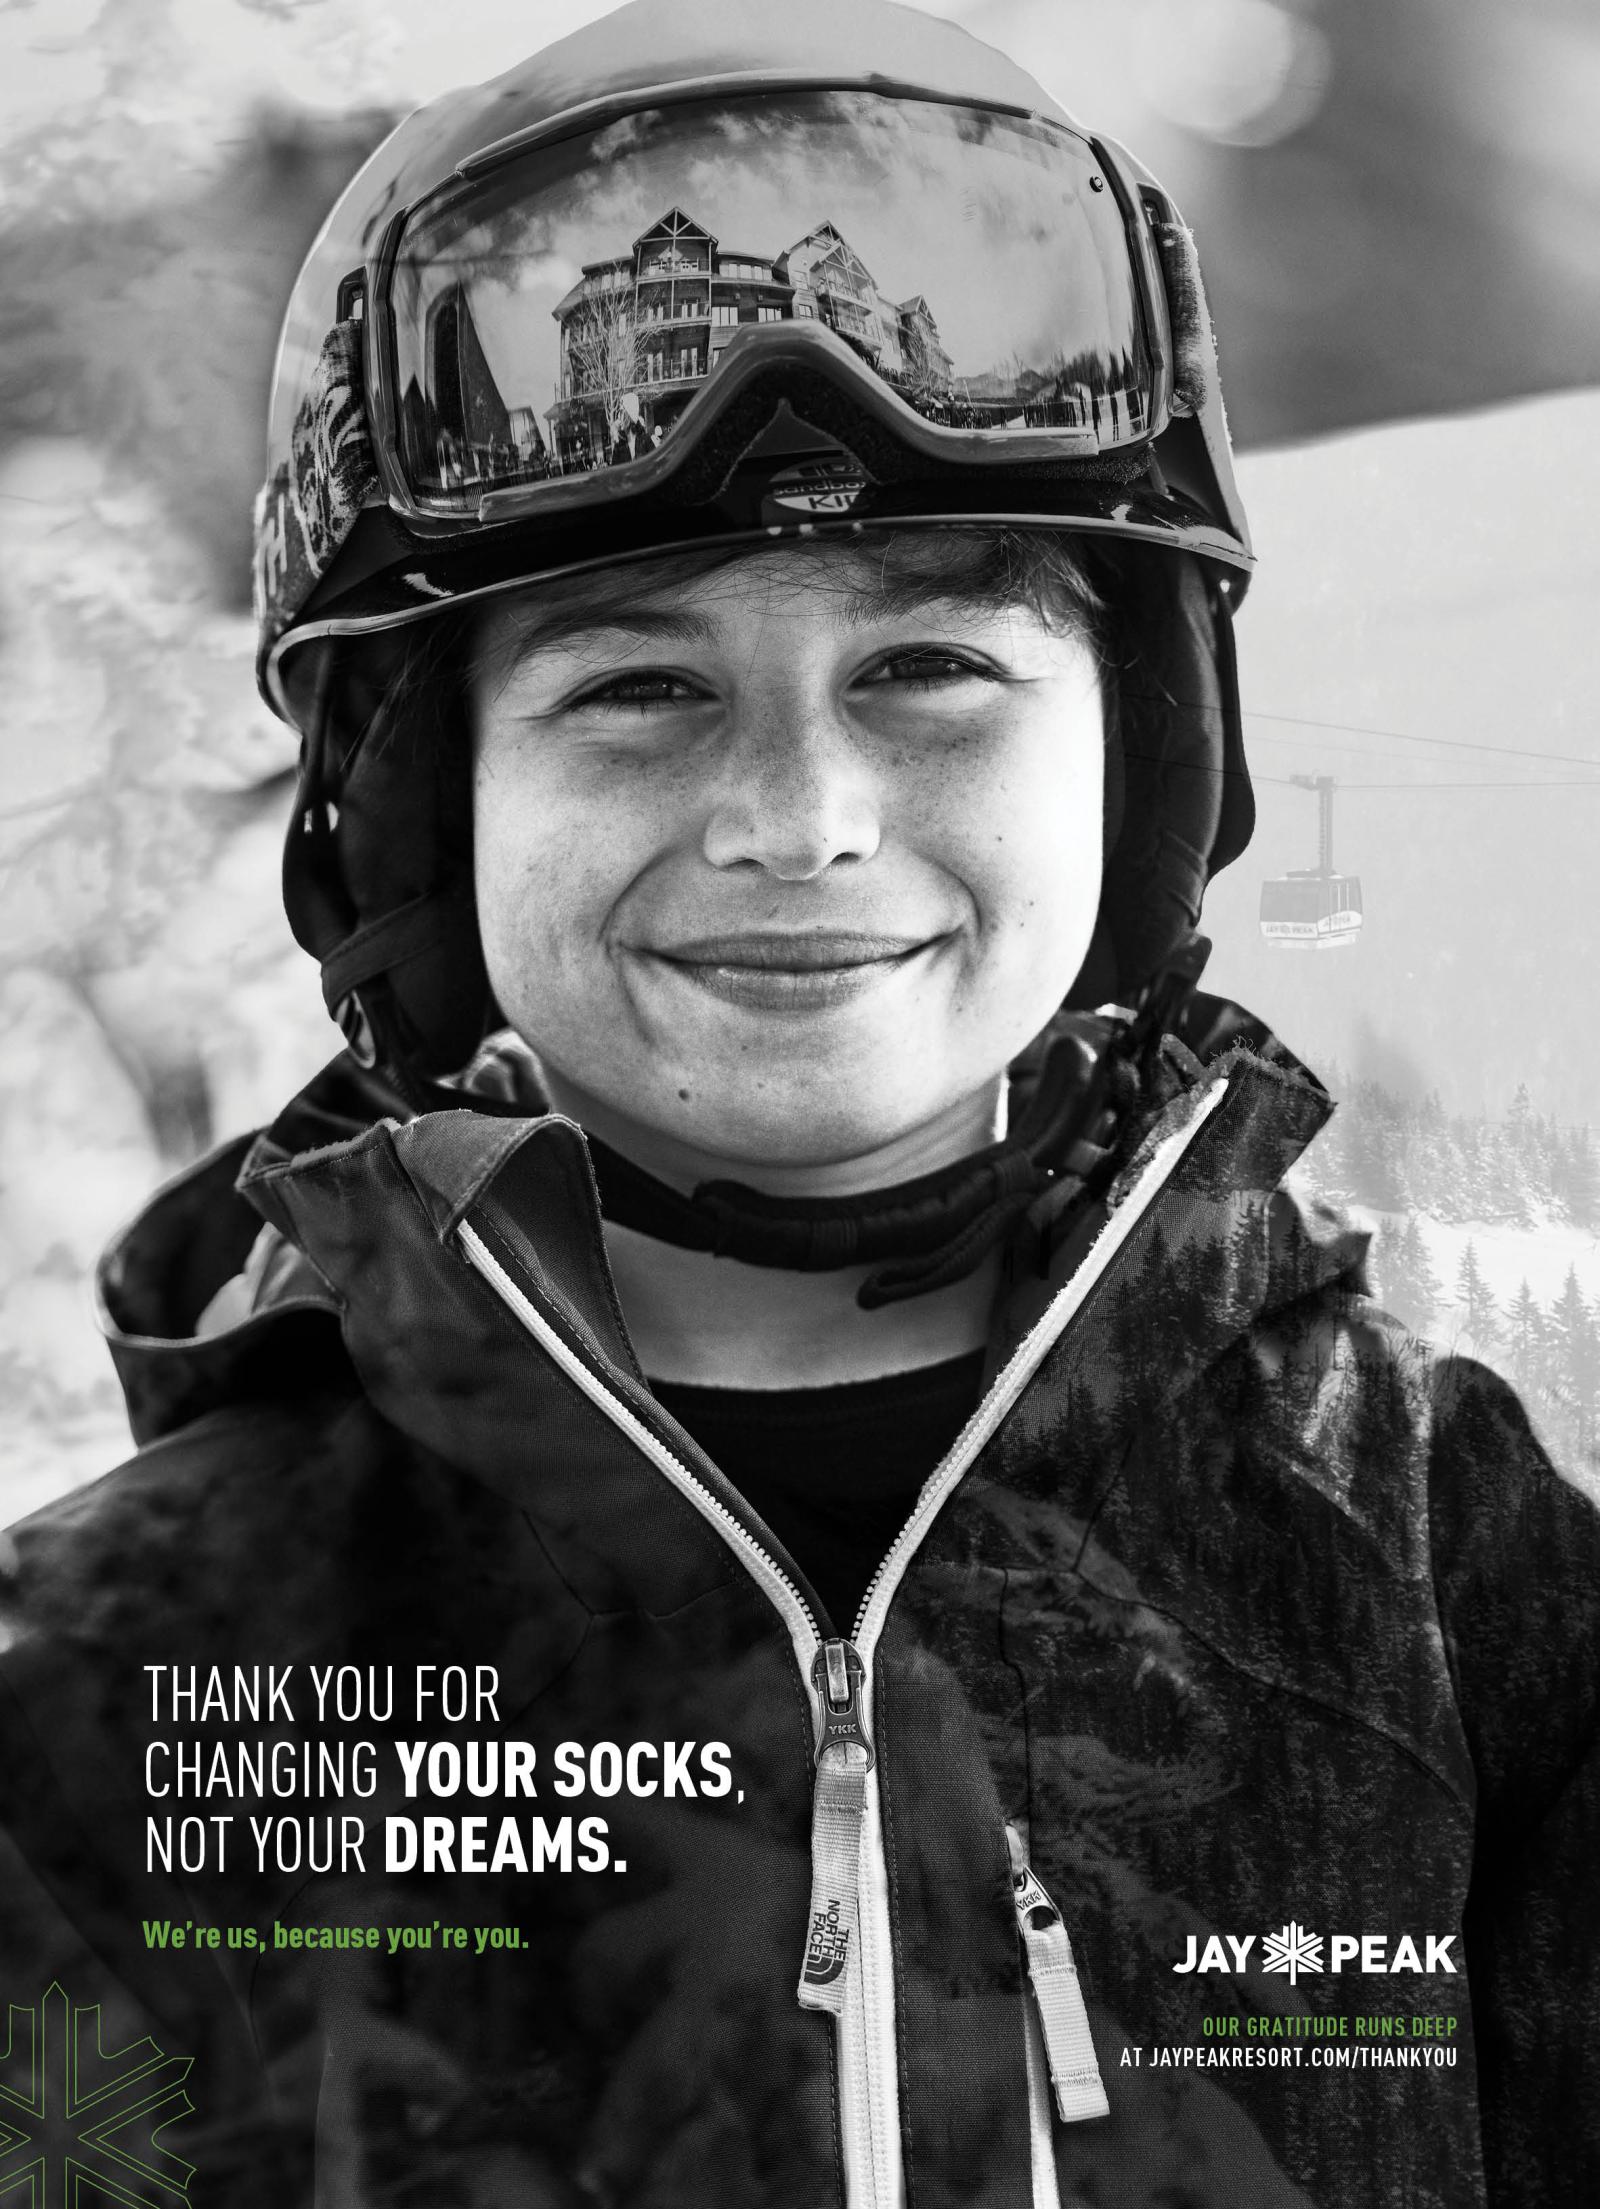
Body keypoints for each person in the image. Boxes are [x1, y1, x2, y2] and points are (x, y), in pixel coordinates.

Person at [1, 2, 1596, 2204]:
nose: (802, 816)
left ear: (1141, 750)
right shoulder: (117, 1685)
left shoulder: (1455, 1570)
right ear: (418, 813)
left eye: (928, 668)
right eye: (639, 689)